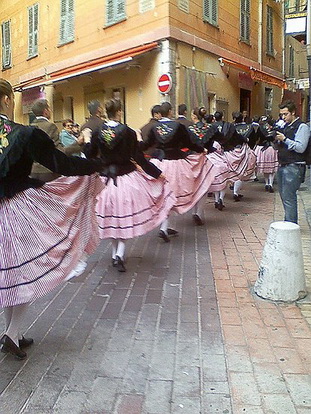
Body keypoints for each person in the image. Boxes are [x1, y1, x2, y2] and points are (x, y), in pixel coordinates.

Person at [0, 78, 105, 360]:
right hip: (15, 208)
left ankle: (15, 333)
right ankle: (12, 332)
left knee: (11, 272)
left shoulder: (25, 134)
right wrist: (95, 165)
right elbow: (62, 164)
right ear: (8, 100)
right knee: (22, 271)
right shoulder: (22, 134)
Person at [85, 99, 176, 272]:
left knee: (112, 219)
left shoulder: (98, 132)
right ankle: (119, 254)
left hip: (104, 182)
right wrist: (157, 173)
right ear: (119, 111)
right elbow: (139, 158)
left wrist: (88, 139)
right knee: (124, 218)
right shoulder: (128, 132)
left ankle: (115, 254)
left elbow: (90, 154)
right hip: (126, 179)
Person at [141, 101, 217, 230]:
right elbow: (189, 143)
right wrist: (201, 150)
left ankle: (164, 227)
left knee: (164, 194)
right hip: (176, 163)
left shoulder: (155, 127)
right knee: (173, 193)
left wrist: (136, 146)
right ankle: (165, 228)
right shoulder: (178, 126)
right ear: (170, 111)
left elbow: (147, 144)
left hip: (159, 163)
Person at [275, 100, 310, 223]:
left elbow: (301, 148)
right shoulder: (285, 126)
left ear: (293, 112)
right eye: (282, 115)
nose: (283, 117)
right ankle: (288, 223)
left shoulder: (302, 127)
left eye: (286, 114)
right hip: (283, 164)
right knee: (284, 196)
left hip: (294, 166)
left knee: (289, 197)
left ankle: (290, 225)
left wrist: (284, 139)